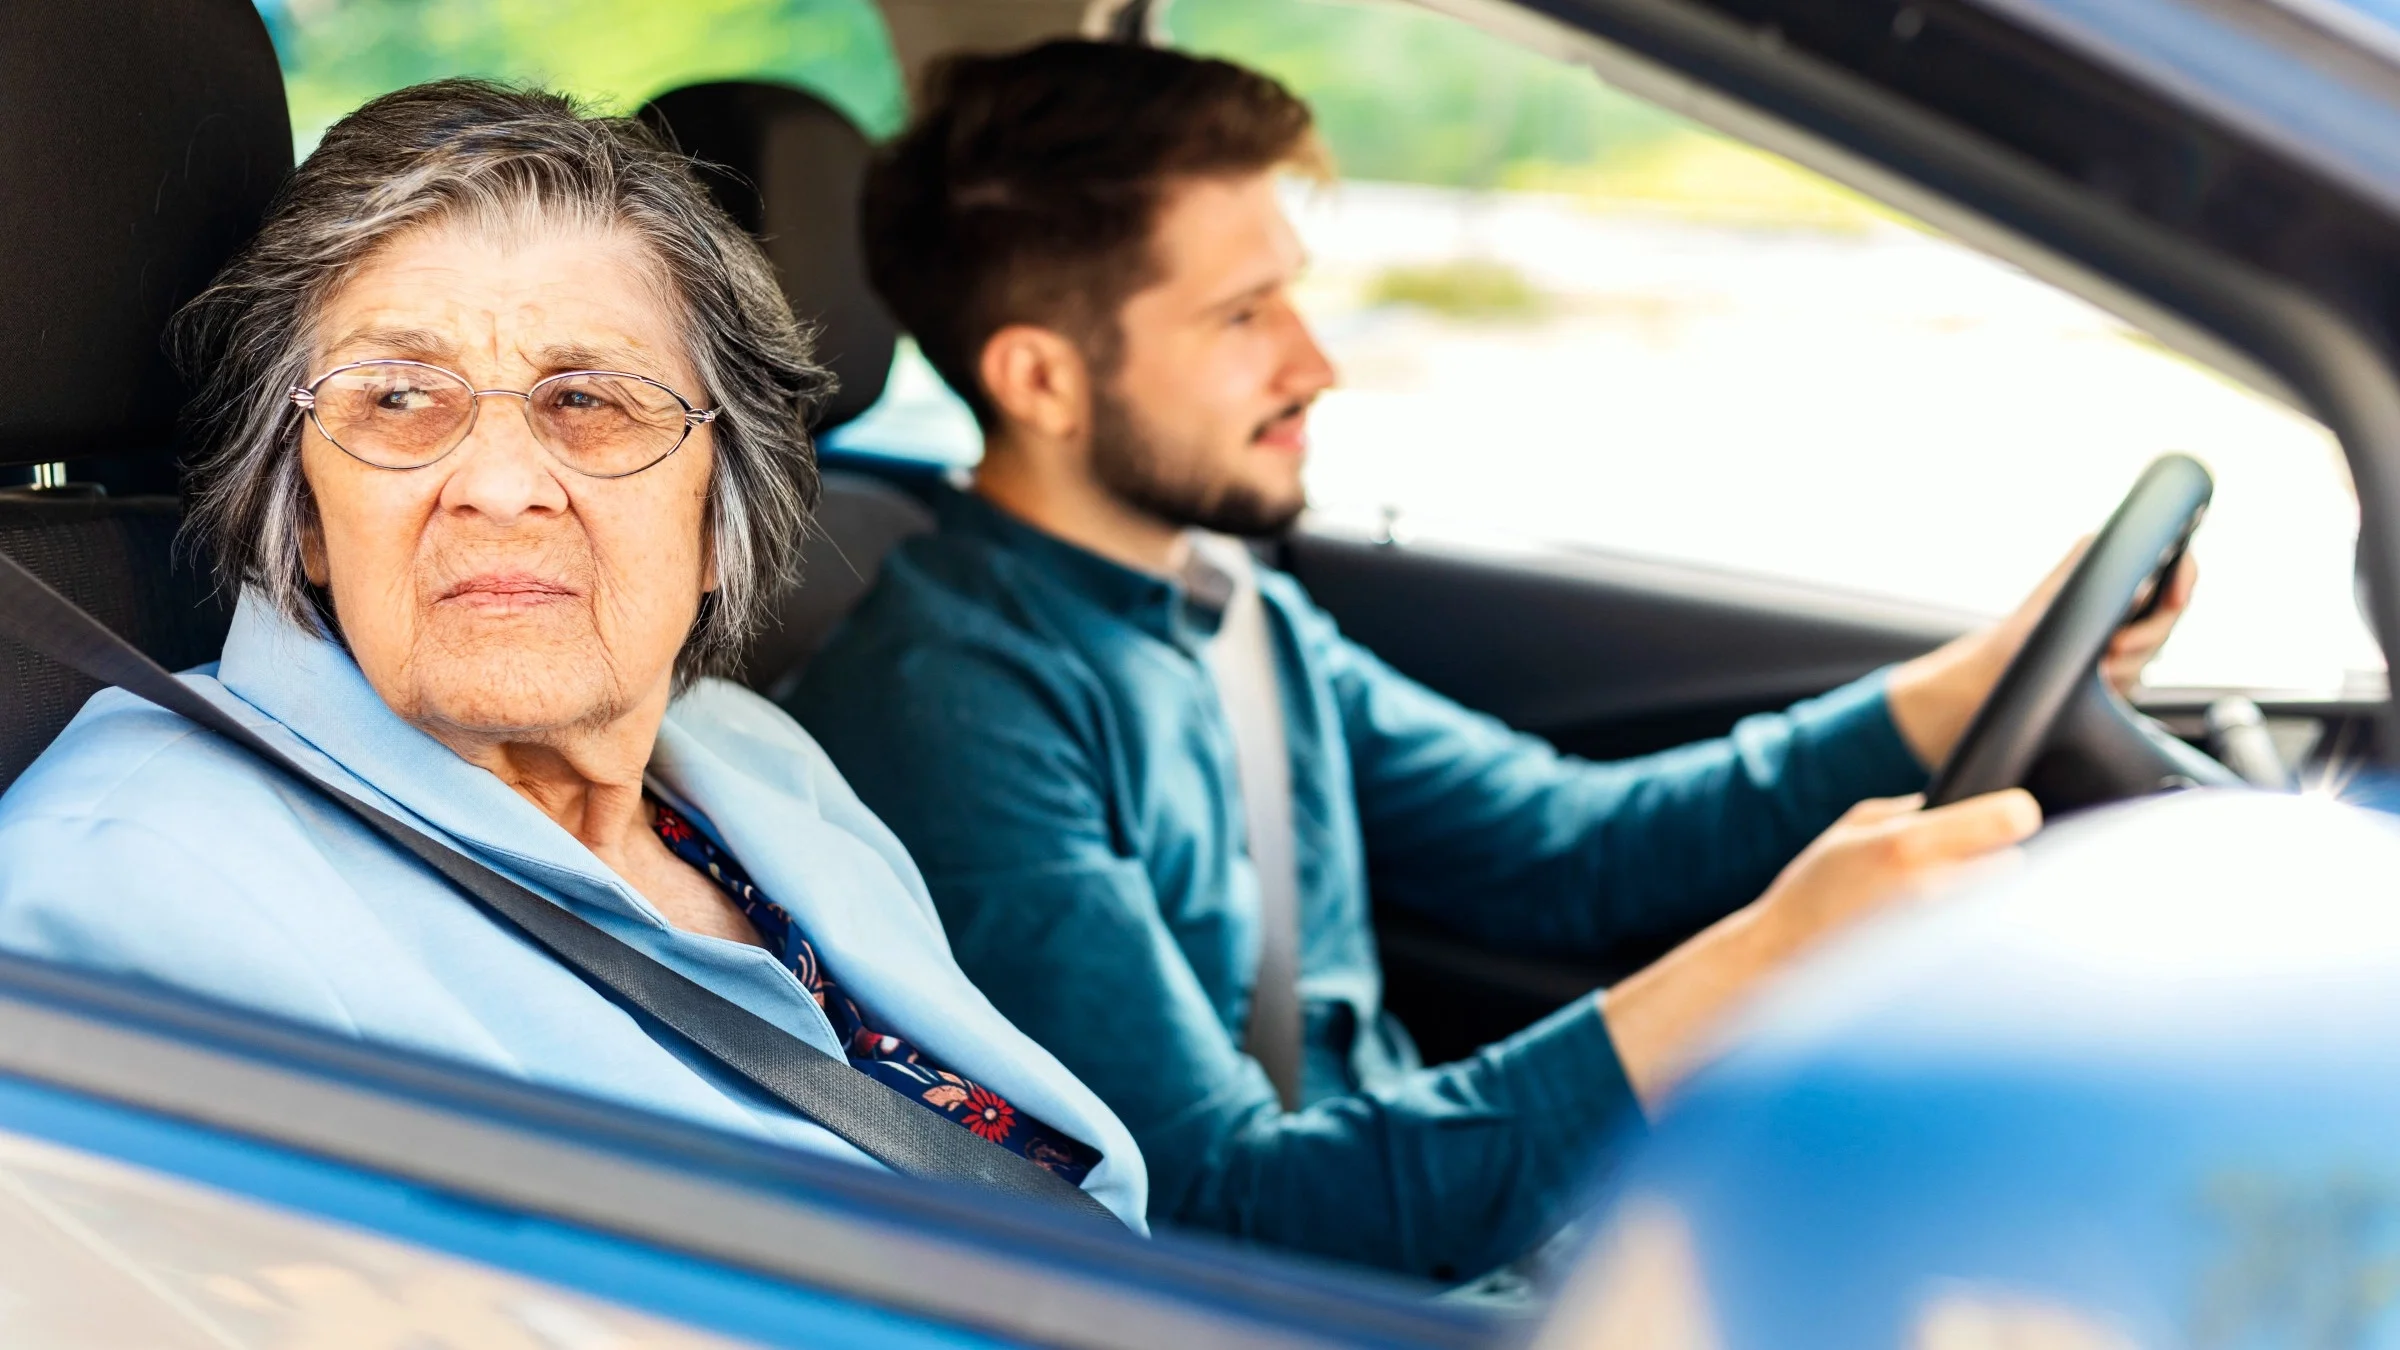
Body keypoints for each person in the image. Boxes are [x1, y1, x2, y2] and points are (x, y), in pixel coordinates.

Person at [789, 41, 2192, 1277]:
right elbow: (1224, 1211)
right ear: (1042, 378)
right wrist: (1759, 961)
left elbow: (1564, 848)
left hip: (1462, 1248)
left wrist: (1967, 687)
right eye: (1242, 317)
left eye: (1295, 296)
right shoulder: (960, 704)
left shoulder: (1230, 610)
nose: (1316, 362)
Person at [0, 81, 1144, 1226]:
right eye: (397, 397)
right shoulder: (133, 891)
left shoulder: (752, 760)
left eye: (587, 399)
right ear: (301, 513)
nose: (499, 487)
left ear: (720, 513)